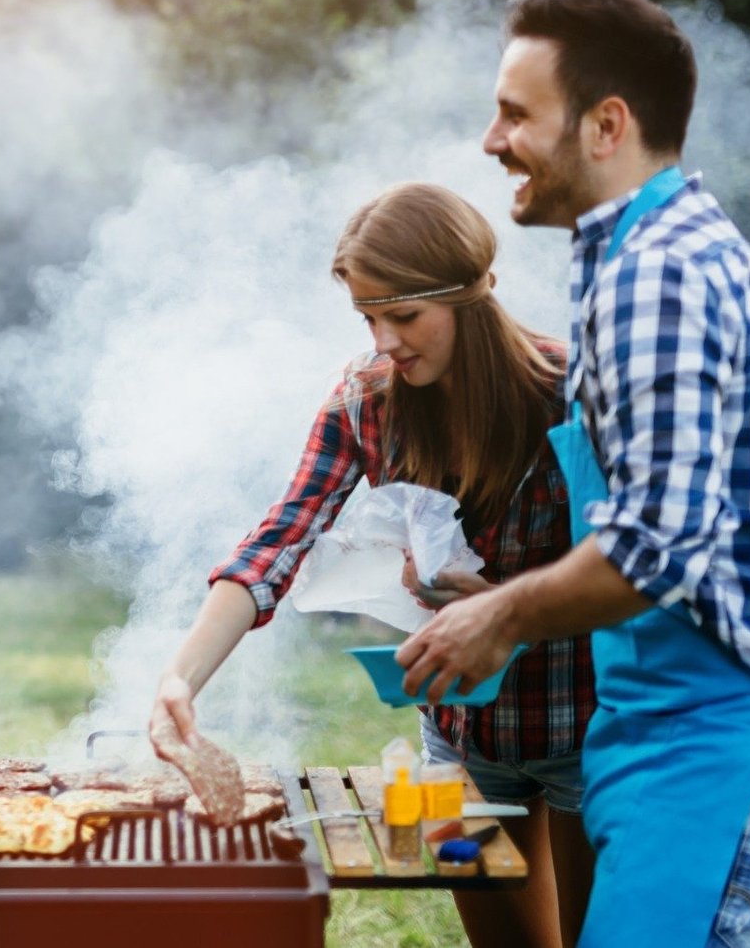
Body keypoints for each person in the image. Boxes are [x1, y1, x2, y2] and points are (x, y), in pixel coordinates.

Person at [399, 0, 750, 947]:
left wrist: (498, 616)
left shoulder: (657, 274)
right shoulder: (647, 252)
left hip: (729, 747)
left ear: (606, 124)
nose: (490, 139)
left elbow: (660, 544)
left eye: (514, 113)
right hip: (702, 742)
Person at [151, 183, 596, 946]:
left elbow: (627, 568)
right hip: (455, 747)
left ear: (471, 293)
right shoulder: (367, 398)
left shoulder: (571, 393)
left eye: (403, 315)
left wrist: (502, 601)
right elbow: (281, 537)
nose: (383, 341)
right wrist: (179, 678)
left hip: (584, 731)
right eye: (368, 317)